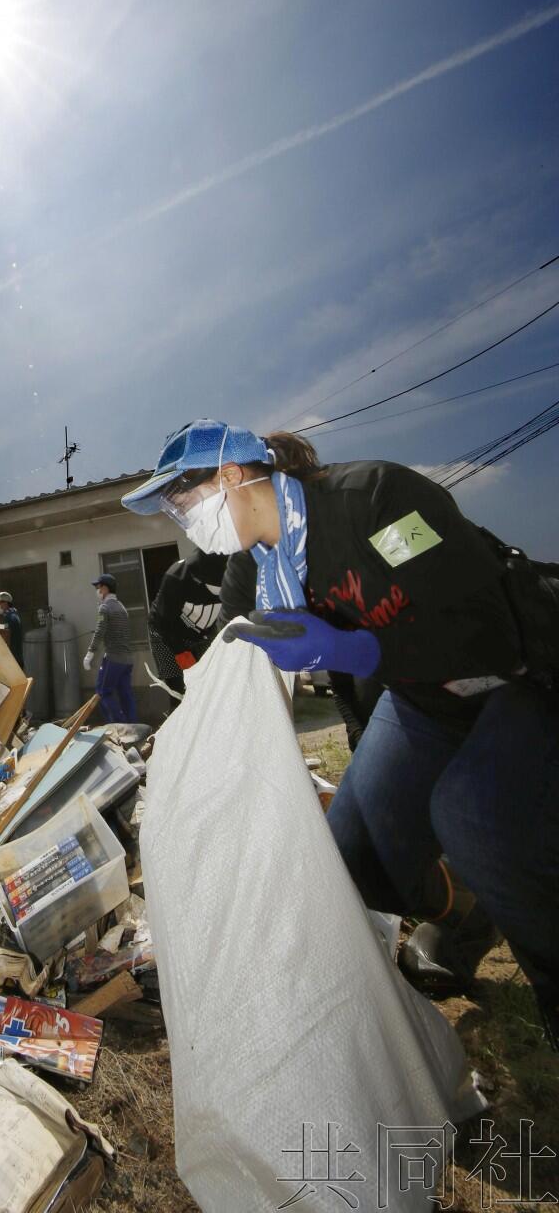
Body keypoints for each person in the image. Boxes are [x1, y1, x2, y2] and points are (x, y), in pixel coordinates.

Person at [123, 418, 559, 1044]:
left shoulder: (377, 501)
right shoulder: (254, 573)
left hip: (519, 676)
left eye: (183, 502)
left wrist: (355, 651)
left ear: (229, 475)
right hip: (424, 702)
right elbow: (231, 670)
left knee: (472, 815)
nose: (183, 522)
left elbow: (485, 629)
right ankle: (466, 909)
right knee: (354, 860)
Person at [148, 549, 227, 695]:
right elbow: (165, 624)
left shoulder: (237, 576)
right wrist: (183, 656)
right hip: (164, 632)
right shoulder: (177, 577)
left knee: (210, 685)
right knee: (182, 690)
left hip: (202, 635)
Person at [84, 573, 138, 723]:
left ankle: (118, 726)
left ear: (105, 588)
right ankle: (133, 727)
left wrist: (90, 654)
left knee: (103, 693)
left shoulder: (105, 608)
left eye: (98, 587)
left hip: (113, 658)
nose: (97, 591)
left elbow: (100, 631)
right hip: (127, 660)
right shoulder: (122, 608)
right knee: (125, 693)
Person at [0, 590, 23, 667]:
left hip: (13, 659)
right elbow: (7, 628)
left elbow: (8, 634)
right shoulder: (12, 615)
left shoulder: (11, 617)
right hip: (16, 657)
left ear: (5, 603)